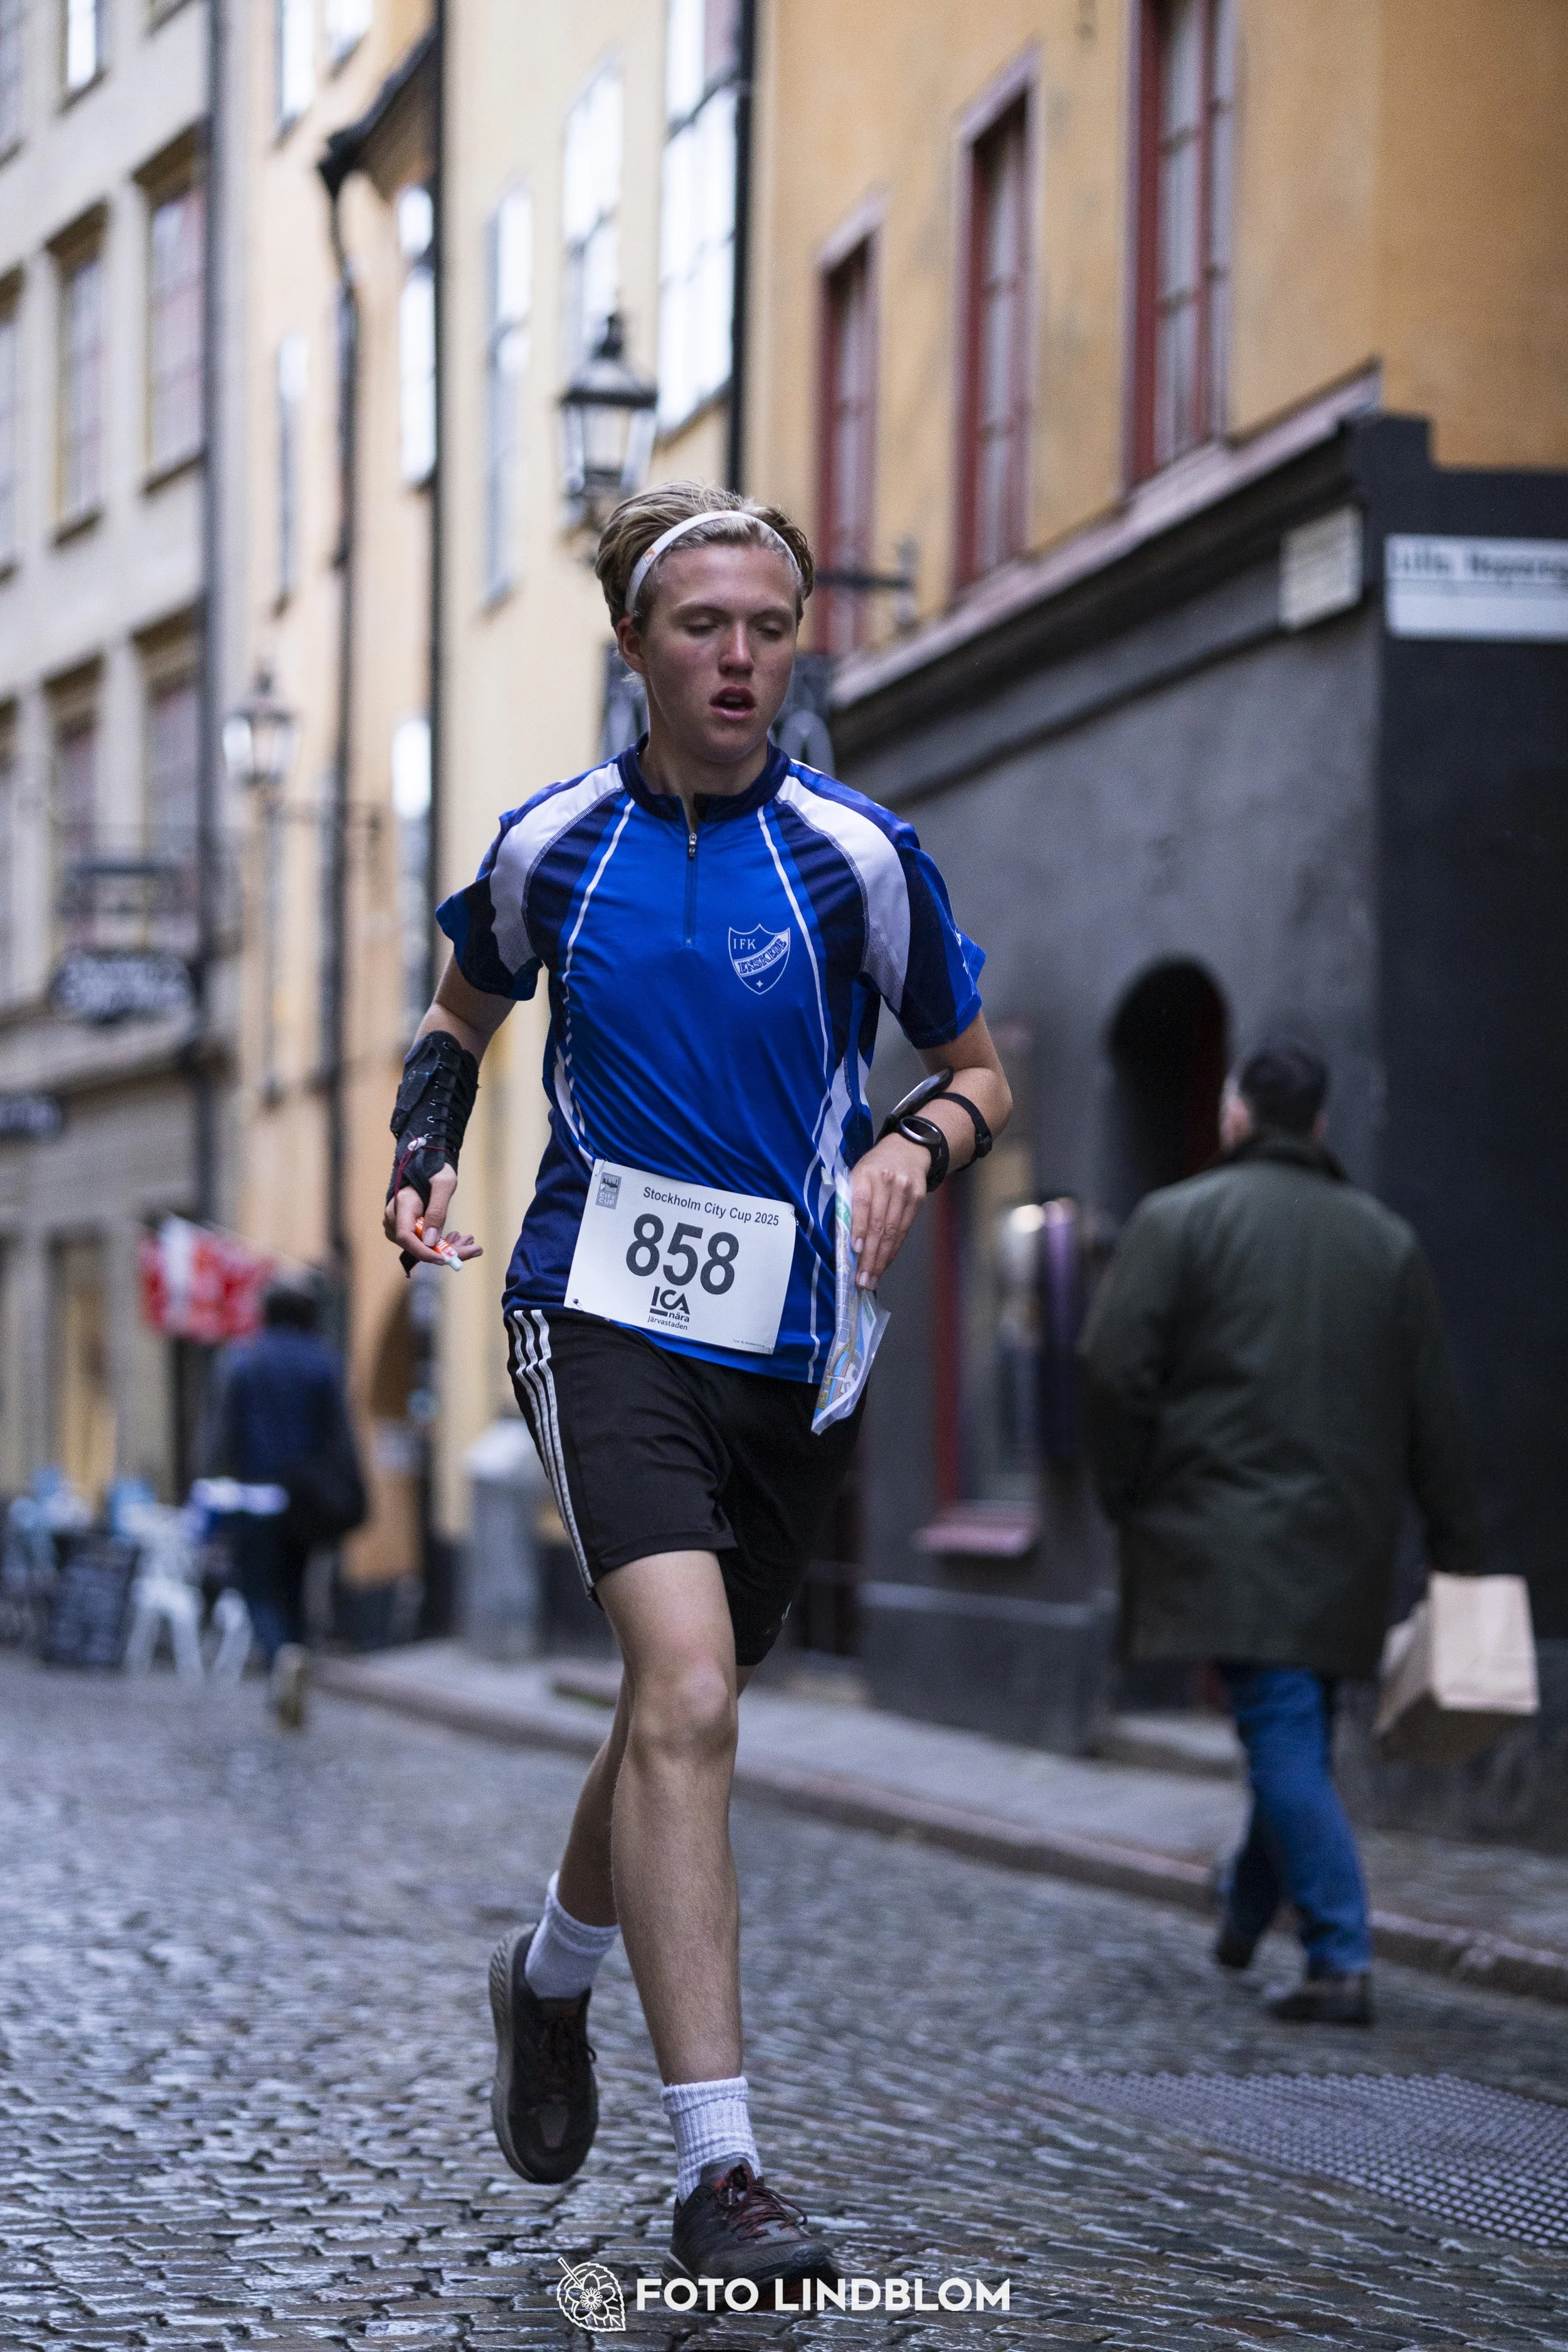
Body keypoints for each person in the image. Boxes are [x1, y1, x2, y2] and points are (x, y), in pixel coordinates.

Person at [383, 480, 1010, 2287]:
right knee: (685, 1684)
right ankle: (721, 2166)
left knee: (685, 1701)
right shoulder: (550, 846)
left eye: (765, 628)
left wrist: (913, 1148)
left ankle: (550, 1975)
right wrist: (426, 1145)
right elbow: (458, 1016)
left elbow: (973, 1068)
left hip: (792, 1345)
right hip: (595, 1307)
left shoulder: (857, 858)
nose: (737, 659)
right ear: (636, 647)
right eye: (699, 628)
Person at [1079, 1037, 1482, 2025]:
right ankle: (1244, 1908)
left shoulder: (1179, 1220)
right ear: (1321, 1123)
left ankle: (1341, 1955)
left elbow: (1109, 1370)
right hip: (1348, 1544)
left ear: (1236, 1117)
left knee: (1286, 1744)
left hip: (1221, 1535)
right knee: (1293, 1733)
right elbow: (1436, 1412)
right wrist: (1458, 1548)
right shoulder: (1385, 1241)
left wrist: (1129, 1492)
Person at [213, 1276, 364, 1727]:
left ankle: (282, 1657)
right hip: (305, 1498)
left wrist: (213, 1482)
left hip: (255, 1495)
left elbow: (222, 1431)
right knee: (297, 1587)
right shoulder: (323, 1362)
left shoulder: (242, 1358)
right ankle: (294, 1662)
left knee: (258, 1588)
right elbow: (340, 1435)